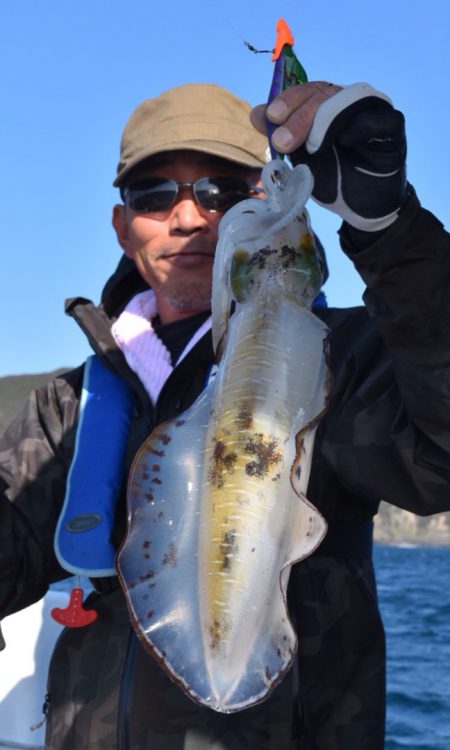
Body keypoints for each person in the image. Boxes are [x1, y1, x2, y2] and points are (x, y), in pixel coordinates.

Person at [0, 79, 449, 750]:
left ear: (266, 197)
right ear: (123, 227)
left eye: (221, 190)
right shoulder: (67, 408)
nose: (188, 217)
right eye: (154, 195)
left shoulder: (343, 364)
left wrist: (393, 237)